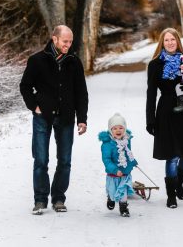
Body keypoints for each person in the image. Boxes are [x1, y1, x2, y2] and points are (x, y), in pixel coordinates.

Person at [20, 25, 89, 215]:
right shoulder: (37, 60)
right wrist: (34, 106)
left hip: (66, 117)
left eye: (70, 41)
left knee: (65, 161)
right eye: (65, 41)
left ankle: (58, 198)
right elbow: (25, 86)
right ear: (55, 39)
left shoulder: (74, 62)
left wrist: (82, 119)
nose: (68, 45)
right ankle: (40, 200)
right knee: (41, 160)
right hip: (43, 117)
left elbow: (81, 93)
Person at [146, 28, 183, 209]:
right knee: (172, 156)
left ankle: (178, 183)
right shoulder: (155, 64)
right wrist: (150, 119)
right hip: (166, 111)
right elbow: (150, 94)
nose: (170, 43)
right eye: (167, 40)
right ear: (162, 43)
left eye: (173, 39)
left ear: (178, 42)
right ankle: (171, 194)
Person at [98, 113, 138, 217]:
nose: (118, 130)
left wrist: (132, 161)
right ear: (110, 130)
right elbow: (106, 160)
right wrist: (115, 170)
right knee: (112, 191)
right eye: (115, 128)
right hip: (113, 174)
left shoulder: (126, 141)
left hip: (124, 173)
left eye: (121, 128)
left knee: (123, 191)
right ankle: (110, 198)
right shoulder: (107, 144)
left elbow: (128, 153)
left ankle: (123, 207)